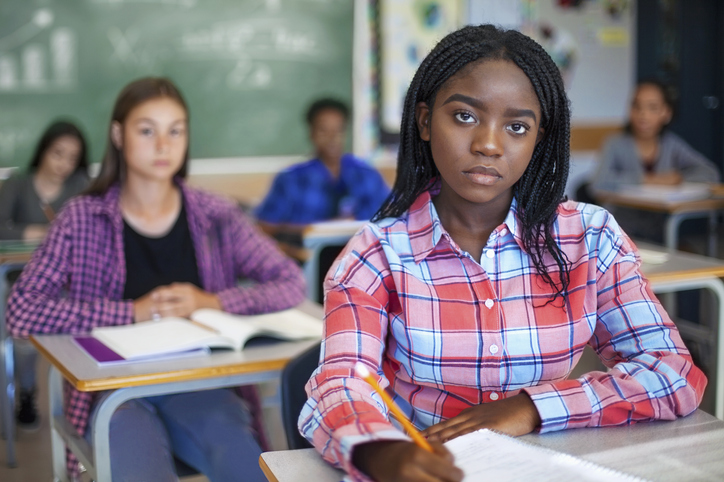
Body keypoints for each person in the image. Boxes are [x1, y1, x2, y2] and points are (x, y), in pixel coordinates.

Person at [298, 25, 706, 482]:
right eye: (466, 117)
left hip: (552, 463)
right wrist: (378, 452)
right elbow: (340, 383)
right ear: (425, 120)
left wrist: (531, 408)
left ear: (537, 139)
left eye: (516, 127)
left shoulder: (589, 238)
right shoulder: (376, 254)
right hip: (422, 466)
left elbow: (672, 372)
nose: (489, 144)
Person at [7, 77, 306, 482]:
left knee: (243, 462)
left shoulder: (215, 214)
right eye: (147, 130)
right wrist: (131, 311)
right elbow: (22, 311)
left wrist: (212, 301)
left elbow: (290, 281)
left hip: (201, 383)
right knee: (137, 465)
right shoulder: (81, 218)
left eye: (175, 130)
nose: (163, 145)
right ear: (118, 134)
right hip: (115, 393)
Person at [0, 120, 89, 429]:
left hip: (69, 285)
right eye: (57, 154)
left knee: (82, 323)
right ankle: (27, 391)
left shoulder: (81, 186)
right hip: (21, 283)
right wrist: (36, 231)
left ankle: (83, 396)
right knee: (23, 330)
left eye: (71, 158)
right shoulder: (16, 184)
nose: (63, 164)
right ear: (43, 151)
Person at [254, 98, 390, 258]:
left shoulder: (366, 174)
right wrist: (310, 232)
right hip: (308, 260)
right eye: (323, 131)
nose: (332, 138)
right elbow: (263, 228)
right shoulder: (291, 179)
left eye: (338, 131)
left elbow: (393, 217)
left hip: (362, 261)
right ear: (311, 133)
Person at [588, 79, 720, 240]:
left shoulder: (672, 144)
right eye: (637, 107)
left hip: (659, 233)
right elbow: (598, 183)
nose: (643, 114)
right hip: (618, 232)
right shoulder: (615, 144)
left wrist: (678, 178)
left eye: (652, 108)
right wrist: (649, 179)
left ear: (666, 113)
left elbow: (710, 172)